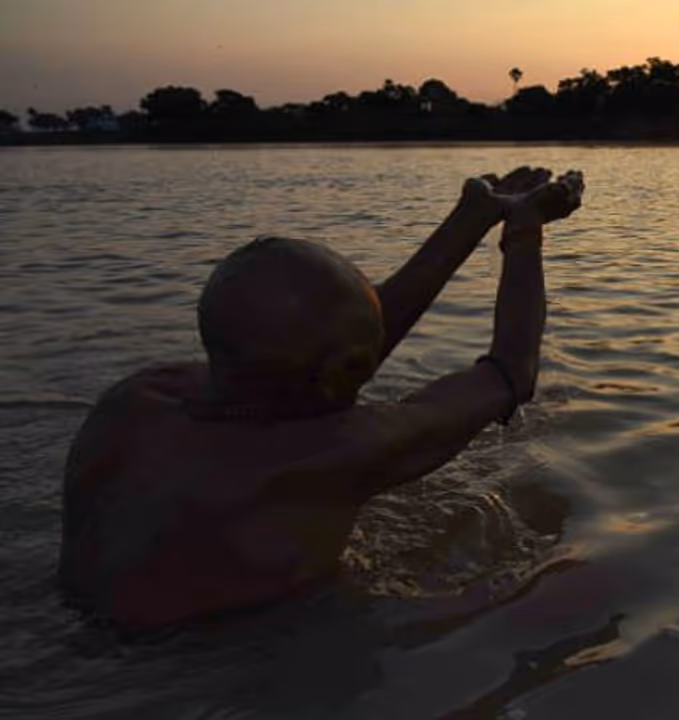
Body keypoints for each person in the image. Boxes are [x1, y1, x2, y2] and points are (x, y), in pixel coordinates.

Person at [57, 167, 585, 630]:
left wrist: (471, 218)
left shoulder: (134, 399)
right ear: (342, 372)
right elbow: (512, 371)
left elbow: (313, 364)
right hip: (207, 662)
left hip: (71, 628)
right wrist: (524, 229)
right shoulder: (334, 453)